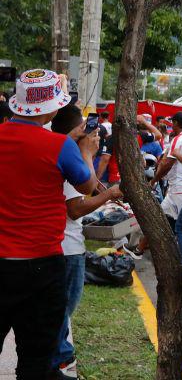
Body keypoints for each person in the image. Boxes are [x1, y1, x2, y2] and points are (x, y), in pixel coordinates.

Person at [0, 70, 97, 378]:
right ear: (52, 109)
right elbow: (87, 187)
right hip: (42, 266)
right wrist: (87, 152)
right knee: (36, 357)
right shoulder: (60, 146)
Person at [50, 103, 123, 378]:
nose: (93, 133)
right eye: (86, 126)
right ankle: (58, 359)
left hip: (67, 245)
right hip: (67, 248)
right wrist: (107, 192)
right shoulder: (69, 157)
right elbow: (76, 206)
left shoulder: (62, 151)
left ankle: (57, 355)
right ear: (78, 130)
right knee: (63, 308)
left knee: (63, 309)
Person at [152, 111, 182, 280]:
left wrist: (154, 180)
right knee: (161, 217)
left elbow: (167, 164)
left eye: (171, 122)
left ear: (177, 123)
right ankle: (141, 249)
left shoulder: (179, 139)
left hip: (181, 189)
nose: (170, 126)